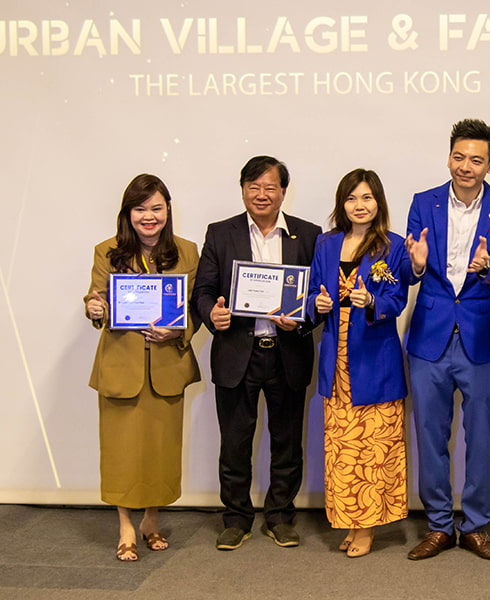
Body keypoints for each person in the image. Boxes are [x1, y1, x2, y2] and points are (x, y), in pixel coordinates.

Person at [403, 118, 490, 561]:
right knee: (430, 435)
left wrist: (489, 267)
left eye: (476, 159)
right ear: (448, 157)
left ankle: (474, 526)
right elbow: (411, 267)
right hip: (430, 337)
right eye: (459, 157)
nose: (465, 166)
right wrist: (415, 266)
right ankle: (437, 526)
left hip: (482, 336)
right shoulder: (424, 202)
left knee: (481, 436)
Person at [192, 156, 321, 551]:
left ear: (284, 191)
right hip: (237, 354)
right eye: (254, 186)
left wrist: (300, 320)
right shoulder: (220, 233)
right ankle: (236, 518)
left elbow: (318, 296)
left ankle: (280, 516)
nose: (261, 194)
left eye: (270, 187)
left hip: (287, 353)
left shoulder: (309, 234)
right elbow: (202, 290)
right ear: (243, 189)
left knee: (287, 442)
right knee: (234, 443)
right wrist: (211, 314)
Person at [84, 173, 201, 562]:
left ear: (168, 210)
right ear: (128, 213)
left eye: (156, 208)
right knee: (121, 451)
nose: (148, 217)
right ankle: (125, 526)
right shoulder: (107, 251)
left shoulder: (187, 251)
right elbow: (95, 298)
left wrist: (177, 331)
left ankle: (151, 520)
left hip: (167, 367)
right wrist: (94, 307)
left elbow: (195, 310)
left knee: (160, 449)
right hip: (121, 367)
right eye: (140, 209)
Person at [308, 168, 411, 558]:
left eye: (367, 197)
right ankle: (352, 521)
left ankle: (367, 528)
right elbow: (313, 297)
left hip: (376, 362)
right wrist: (315, 306)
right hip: (337, 364)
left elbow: (397, 299)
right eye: (352, 198)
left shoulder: (393, 246)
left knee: (374, 450)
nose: (359, 205)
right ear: (342, 204)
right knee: (342, 449)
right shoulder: (325, 244)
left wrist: (373, 303)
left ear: (378, 202)